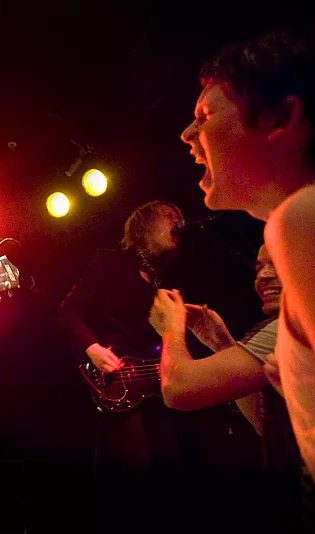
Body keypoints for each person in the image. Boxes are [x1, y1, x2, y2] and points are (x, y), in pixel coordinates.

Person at [180, 24, 315, 489]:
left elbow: (180, 389)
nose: (186, 134)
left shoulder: (303, 216)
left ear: (281, 118)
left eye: (204, 116)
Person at [149, 243, 315, 532]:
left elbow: (178, 389)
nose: (263, 275)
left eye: (277, 261)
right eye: (259, 267)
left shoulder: (290, 327)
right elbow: (263, 424)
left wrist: (170, 329)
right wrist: (221, 344)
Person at [58, 200, 189, 532]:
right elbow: (68, 309)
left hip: (156, 384)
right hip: (118, 378)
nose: (178, 222)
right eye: (169, 216)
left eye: (180, 217)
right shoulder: (111, 261)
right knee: (135, 472)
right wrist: (91, 347)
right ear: (145, 225)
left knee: (170, 468)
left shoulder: (165, 278)